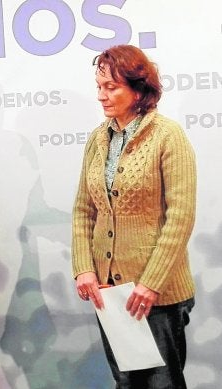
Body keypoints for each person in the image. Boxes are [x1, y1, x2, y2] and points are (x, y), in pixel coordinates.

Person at [72, 45, 196, 388]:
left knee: (162, 385)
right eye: (98, 86)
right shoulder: (98, 138)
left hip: (157, 295)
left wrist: (151, 283)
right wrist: (84, 267)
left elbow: (180, 217)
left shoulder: (168, 135)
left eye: (111, 87)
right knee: (126, 383)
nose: (101, 96)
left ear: (138, 88)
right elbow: (84, 209)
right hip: (109, 291)